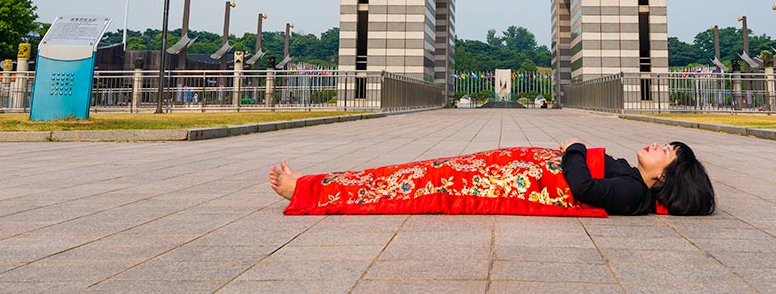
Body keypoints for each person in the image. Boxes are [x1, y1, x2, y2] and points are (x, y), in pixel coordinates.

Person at [268, 137, 715, 217]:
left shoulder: (632, 191)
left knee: (415, 184)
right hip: (504, 170)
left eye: (668, 154)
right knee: (411, 174)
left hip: (494, 182)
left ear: (665, 180)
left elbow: (582, 188)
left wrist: (574, 149)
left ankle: (307, 190)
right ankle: (315, 183)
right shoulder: (633, 178)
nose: (659, 146)